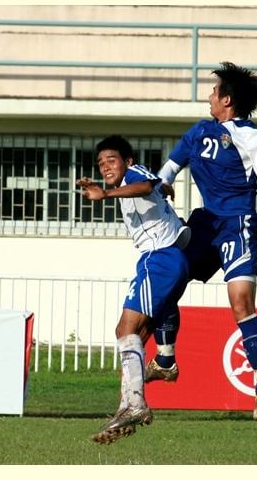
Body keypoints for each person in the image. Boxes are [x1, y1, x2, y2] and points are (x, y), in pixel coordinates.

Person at [153, 61, 257, 420]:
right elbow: (171, 167)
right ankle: (165, 359)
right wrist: (163, 186)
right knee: (167, 280)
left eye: (214, 91)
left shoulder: (251, 136)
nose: (209, 96)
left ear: (227, 99)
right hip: (205, 223)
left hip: (237, 225)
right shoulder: (198, 132)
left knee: (241, 304)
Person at [77, 135, 190, 444]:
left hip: (160, 259)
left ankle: (135, 405)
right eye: (100, 164)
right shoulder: (136, 180)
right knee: (132, 337)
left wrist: (105, 193)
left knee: (125, 329)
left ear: (126, 161)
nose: (104, 167)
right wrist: (162, 187)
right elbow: (154, 187)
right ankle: (126, 409)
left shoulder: (134, 174)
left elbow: (144, 185)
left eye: (111, 160)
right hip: (166, 260)